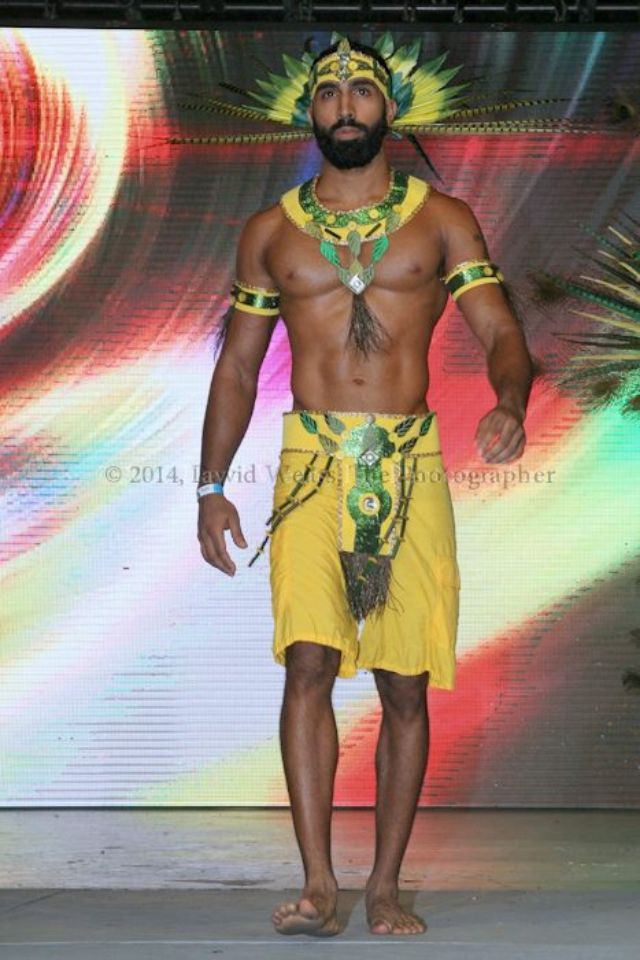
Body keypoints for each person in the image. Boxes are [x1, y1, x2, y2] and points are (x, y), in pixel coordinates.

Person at [197, 38, 533, 938]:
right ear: (309, 113)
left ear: (390, 109)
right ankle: (319, 885)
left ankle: (384, 887)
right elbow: (236, 367)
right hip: (311, 464)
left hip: (407, 463)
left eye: (361, 90)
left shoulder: (444, 220)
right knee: (306, 661)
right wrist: (210, 486)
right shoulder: (271, 232)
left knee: (405, 684)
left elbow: (501, 330)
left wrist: (509, 400)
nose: (345, 104)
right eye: (329, 92)